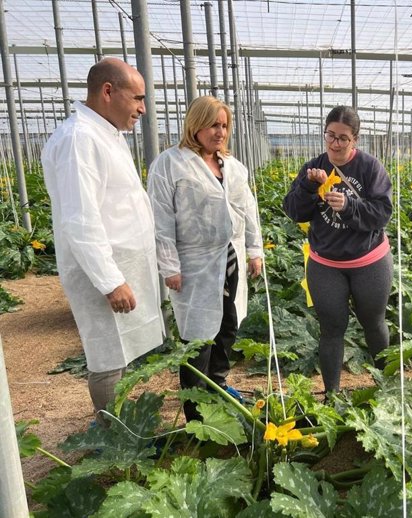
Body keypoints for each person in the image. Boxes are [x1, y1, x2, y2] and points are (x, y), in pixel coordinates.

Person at [41, 57, 165, 425]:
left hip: (120, 264)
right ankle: (113, 435)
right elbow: (80, 220)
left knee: (120, 351)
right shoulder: (79, 138)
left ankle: (119, 427)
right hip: (104, 272)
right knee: (107, 353)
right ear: (108, 91)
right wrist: (111, 281)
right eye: (138, 98)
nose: (143, 109)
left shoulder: (102, 132)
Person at [147, 96, 263, 422]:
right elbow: (161, 218)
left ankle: (219, 384)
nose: (220, 132)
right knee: (197, 337)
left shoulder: (232, 166)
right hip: (193, 262)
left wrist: (255, 251)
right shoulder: (171, 164)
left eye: (224, 125)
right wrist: (169, 265)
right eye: (214, 124)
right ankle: (196, 412)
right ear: (195, 125)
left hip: (230, 256)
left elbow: (248, 210)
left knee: (227, 324)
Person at [283, 105, 393, 394]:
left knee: (374, 323)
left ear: (355, 139)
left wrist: (349, 206)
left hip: (369, 261)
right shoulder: (313, 167)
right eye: (330, 135)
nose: (335, 143)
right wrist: (308, 187)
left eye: (343, 138)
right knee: (331, 328)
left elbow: (382, 213)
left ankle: (388, 389)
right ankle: (331, 395)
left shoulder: (370, 168)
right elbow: (294, 211)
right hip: (326, 264)